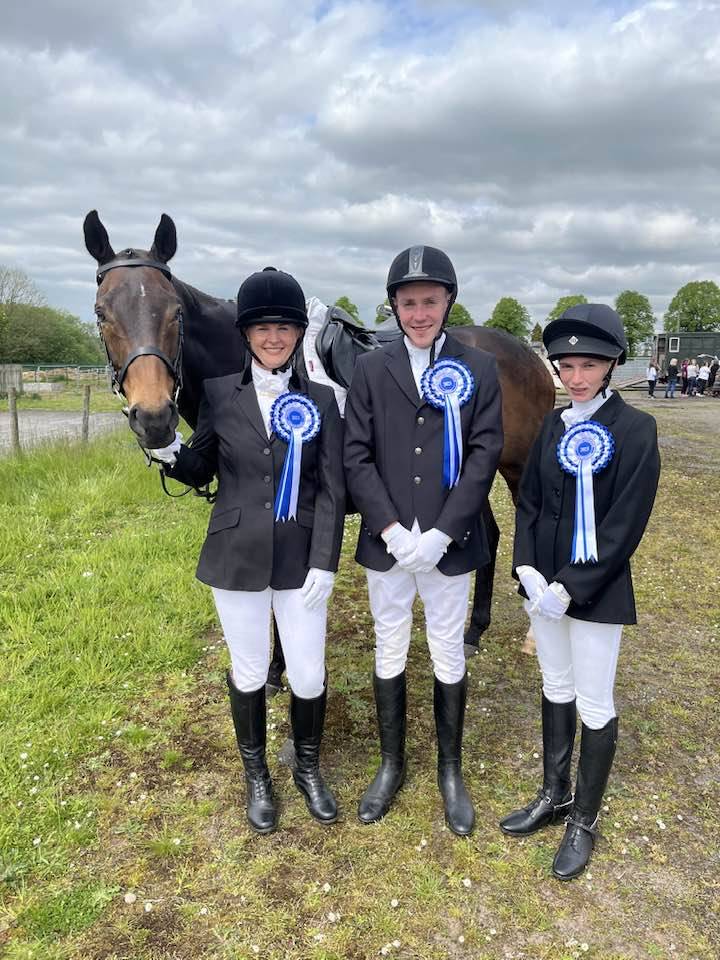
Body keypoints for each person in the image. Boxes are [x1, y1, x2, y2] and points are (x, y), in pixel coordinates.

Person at [148, 268, 345, 834]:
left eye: (285, 327)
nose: (274, 337)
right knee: (252, 668)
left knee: (307, 673)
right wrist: (166, 450)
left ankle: (307, 768)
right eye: (262, 328)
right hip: (235, 555)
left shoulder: (324, 403)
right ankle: (256, 775)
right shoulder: (216, 395)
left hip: (301, 556)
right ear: (246, 334)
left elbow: (332, 489)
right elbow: (201, 465)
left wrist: (325, 561)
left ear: (298, 334)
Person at [344, 245, 504, 836]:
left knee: (446, 645)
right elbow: (355, 453)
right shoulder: (369, 368)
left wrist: (442, 532)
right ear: (393, 307)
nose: (419, 312)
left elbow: (484, 452)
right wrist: (388, 527)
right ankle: (390, 765)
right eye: (408, 303)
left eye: (429, 301)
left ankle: (450, 769)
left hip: (447, 541)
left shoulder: (478, 368)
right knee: (389, 644)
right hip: (387, 541)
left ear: (448, 302)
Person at [499, 303, 660, 880]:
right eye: (566, 365)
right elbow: (530, 503)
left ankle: (583, 819)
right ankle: (554, 793)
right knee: (555, 686)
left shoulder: (637, 431)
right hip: (544, 592)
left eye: (588, 364)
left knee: (594, 701)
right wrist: (527, 571)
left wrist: (572, 587)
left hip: (595, 593)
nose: (576, 376)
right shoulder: (550, 424)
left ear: (612, 365)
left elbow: (624, 523)